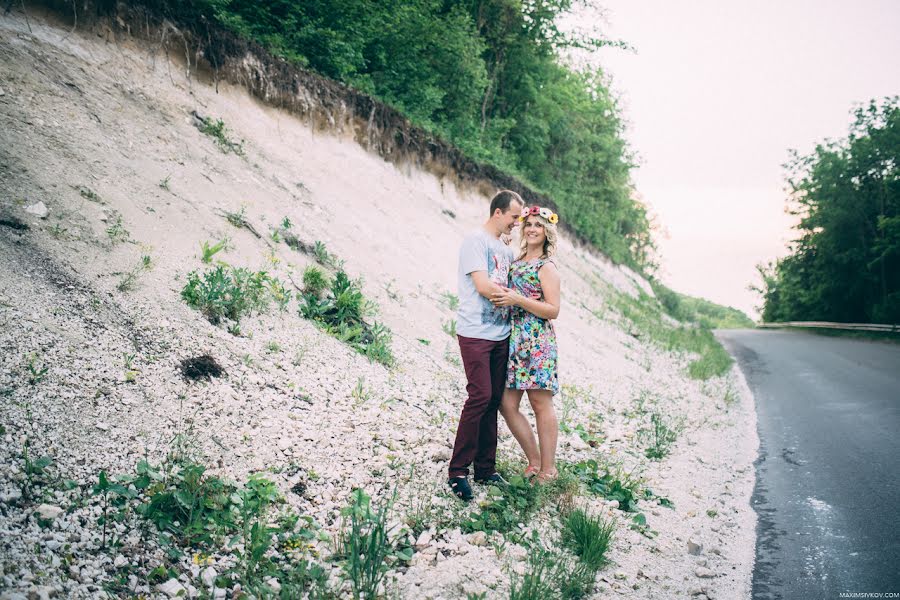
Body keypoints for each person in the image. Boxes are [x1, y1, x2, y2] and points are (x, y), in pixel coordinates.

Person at [447, 190, 525, 501]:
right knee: (478, 396)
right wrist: (512, 298)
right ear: (497, 213)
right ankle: (457, 471)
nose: (516, 224)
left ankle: (485, 468)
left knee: (493, 400)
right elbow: (481, 286)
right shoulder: (474, 241)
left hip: (500, 334)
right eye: (513, 218)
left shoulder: (504, 249)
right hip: (475, 332)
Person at [491, 205, 561, 483]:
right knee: (507, 405)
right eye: (529, 224)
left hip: (537, 341)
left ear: (547, 232)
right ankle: (533, 460)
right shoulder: (518, 259)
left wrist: (517, 300)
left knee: (540, 403)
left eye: (539, 225)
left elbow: (553, 309)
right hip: (515, 340)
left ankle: (548, 469)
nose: (532, 229)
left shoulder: (547, 266)